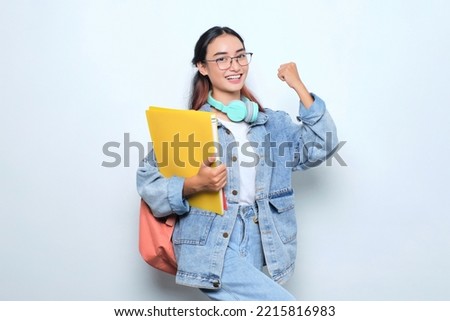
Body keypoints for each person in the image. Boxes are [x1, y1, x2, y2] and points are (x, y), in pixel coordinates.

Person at [137, 26, 338, 300]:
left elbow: (321, 146)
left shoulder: (272, 124)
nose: (234, 66)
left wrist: (299, 87)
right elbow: (149, 183)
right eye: (221, 58)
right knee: (283, 306)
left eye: (240, 56)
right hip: (209, 239)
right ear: (202, 67)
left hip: (260, 234)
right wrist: (192, 185)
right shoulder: (187, 127)